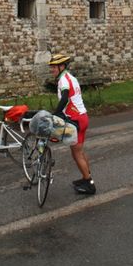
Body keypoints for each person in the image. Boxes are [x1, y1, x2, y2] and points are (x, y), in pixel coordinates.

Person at [49, 53, 96, 195]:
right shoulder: (70, 77)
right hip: (82, 117)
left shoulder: (64, 80)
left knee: (77, 154)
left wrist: (55, 114)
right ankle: (87, 178)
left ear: (62, 66)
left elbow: (64, 98)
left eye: (54, 67)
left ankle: (89, 184)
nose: (52, 70)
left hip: (76, 119)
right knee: (79, 152)